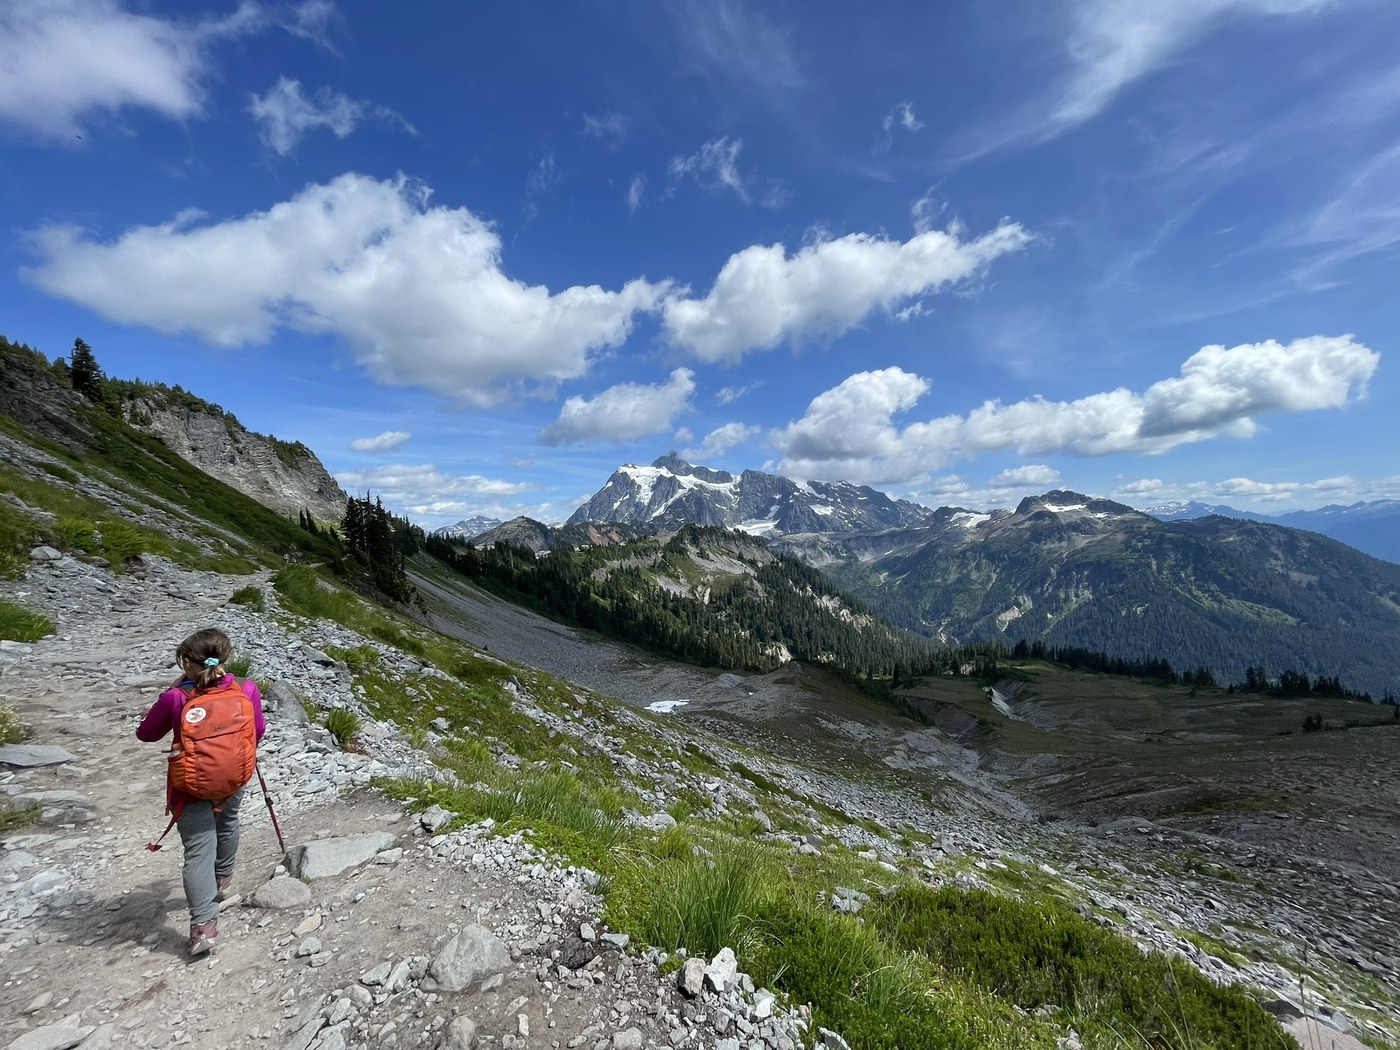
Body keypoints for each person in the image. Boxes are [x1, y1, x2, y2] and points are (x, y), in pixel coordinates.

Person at [137, 627, 265, 956]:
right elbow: (258, 730)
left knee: (197, 851)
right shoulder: (246, 688)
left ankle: (204, 926)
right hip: (234, 776)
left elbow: (146, 734)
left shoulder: (177, 697)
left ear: (187, 662)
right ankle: (222, 880)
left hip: (190, 784)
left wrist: (170, 695)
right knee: (229, 820)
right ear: (225, 658)